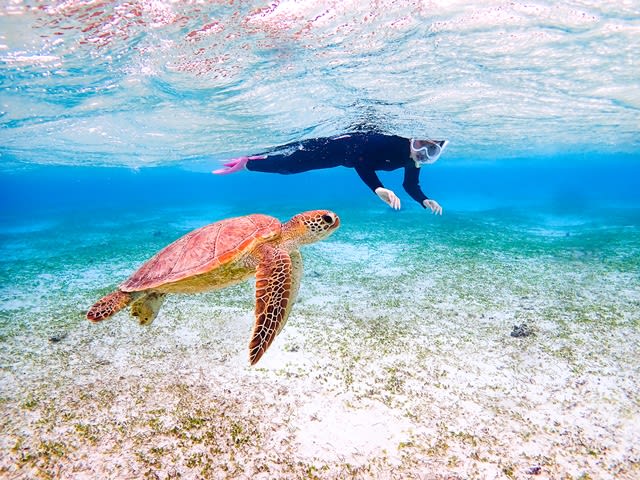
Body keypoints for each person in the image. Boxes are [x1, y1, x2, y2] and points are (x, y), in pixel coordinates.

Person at [212, 132, 448, 214]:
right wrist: (378, 188)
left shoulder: (414, 161)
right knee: (289, 164)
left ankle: (249, 161)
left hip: (340, 158)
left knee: (289, 165)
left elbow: (410, 185)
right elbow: (361, 160)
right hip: (336, 148)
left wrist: (423, 200)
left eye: (431, 151)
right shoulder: (395, 143)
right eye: (421, 144)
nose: (422, 152)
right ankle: (247, 162)